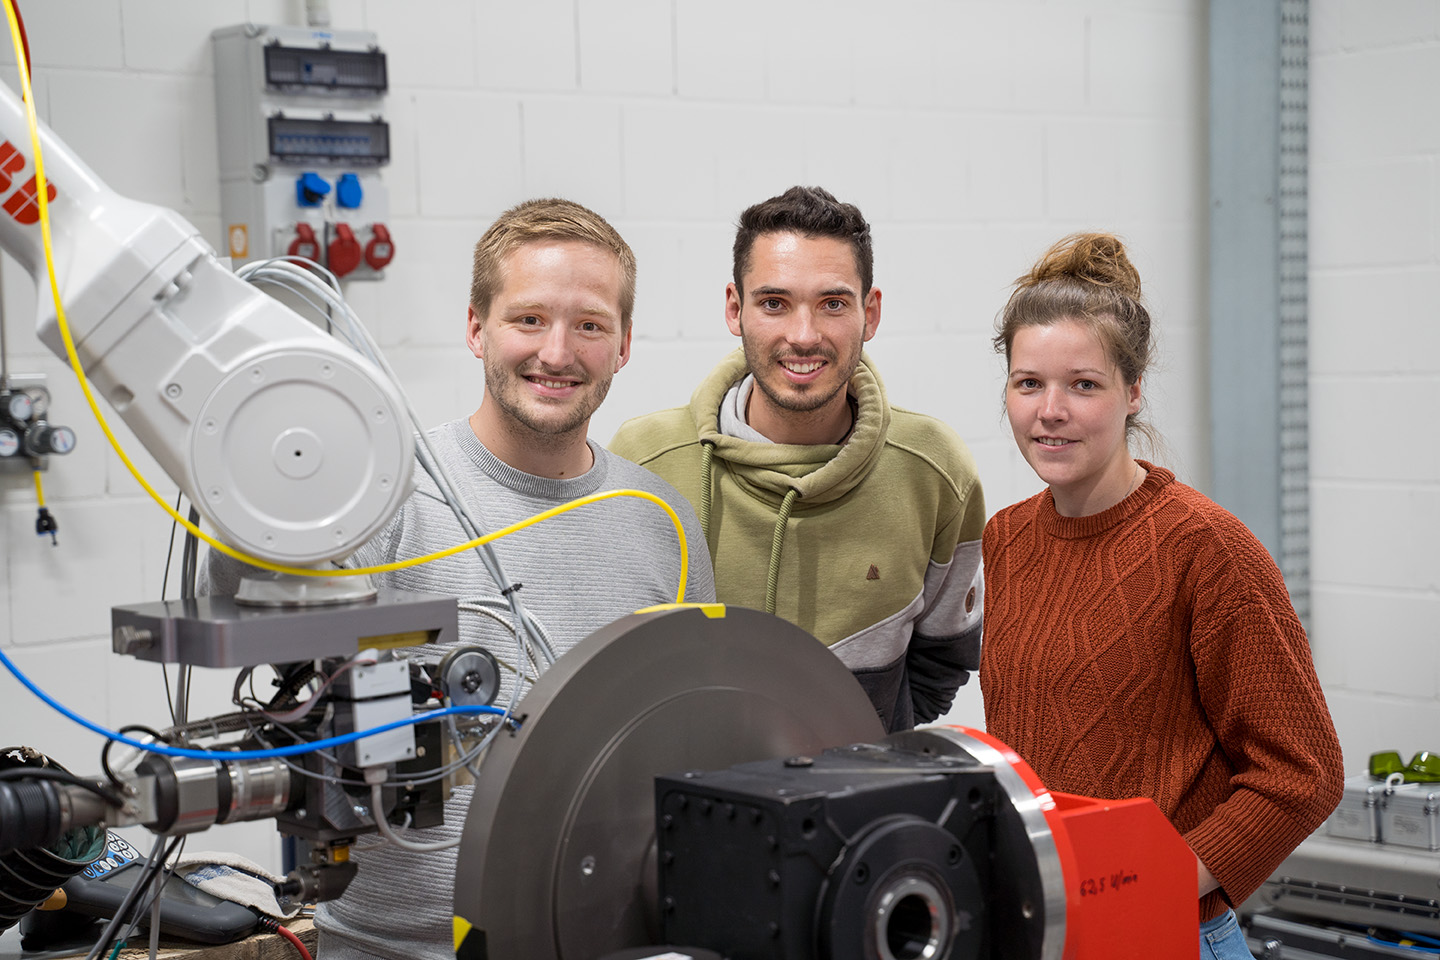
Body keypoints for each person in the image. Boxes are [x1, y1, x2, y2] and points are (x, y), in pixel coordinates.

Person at [206, 198, 714, 960]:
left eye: (590, 324)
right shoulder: (381, 499)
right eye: (529, 319)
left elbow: (687, 742)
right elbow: (245, 610)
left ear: (625, 343)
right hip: (392, 949)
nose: (558, 351)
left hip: (599, 941)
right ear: (476, 327)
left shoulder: (660, 523)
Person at [979, 232, 1342, 959]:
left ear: (1133, 390)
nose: (1050, 410)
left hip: (1168, 935)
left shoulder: (1207, 549)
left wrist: (1157, 881)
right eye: (1028, 383)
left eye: (1083, 384)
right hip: (1045, 933)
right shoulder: (1007, 538)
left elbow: (1304, 773)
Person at [611, 186, 985, 733]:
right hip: (678, 808)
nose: (803, 336)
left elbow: (941, 665)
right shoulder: (644, 461)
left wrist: (857, 752)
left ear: (870, 313)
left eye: (832, 303)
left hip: (855, 808)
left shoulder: (935, 471)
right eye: (774, 303)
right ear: (735, 310)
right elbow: (612, 663)